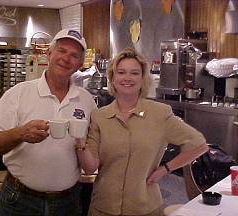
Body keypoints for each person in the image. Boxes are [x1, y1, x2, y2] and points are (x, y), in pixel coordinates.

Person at [76, 48, 208, 216]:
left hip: (145, 207)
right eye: (121, 72)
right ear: (112, 78)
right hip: (103, 207)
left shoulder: (160, 113)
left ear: (143, 79)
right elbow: (90, 168)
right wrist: (79, 142)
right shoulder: (99, 116)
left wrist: (166, 169)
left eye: (135, 73)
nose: (127, 78)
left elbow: (199, 144)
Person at [0, 29, 97, 216]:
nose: (66, 58)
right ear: (49, 54)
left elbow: (94, 152)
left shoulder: (87, 101)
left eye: (74, 55)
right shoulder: (19, 93)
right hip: (20, 200)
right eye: (61, 50)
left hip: (68, 202)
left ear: (80, 64)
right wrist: (20, 133)